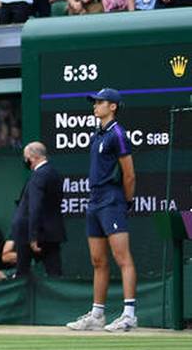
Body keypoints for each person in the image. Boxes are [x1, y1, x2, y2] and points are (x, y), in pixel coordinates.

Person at [67, 89, 138, 332]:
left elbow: (129, 174)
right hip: (94, 201)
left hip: (112, 200)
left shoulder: (118, 133)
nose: (95, 106)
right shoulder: (97, 134)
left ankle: (129, 314)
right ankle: (98, 314)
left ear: (113, 106)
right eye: (95, 102)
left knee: (122, 258)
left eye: (100, 102)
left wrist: (126, 201)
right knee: (98, 260)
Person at [11, 141, 66, 278]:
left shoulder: (38, 175)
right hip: (51, 232)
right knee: (55, 273)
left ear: (33, 157)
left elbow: (35, 207)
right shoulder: (54, 173)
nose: (25, 160)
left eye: (26, 157)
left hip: (30, 234)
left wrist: (33, 236)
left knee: (22, 274)